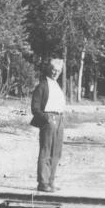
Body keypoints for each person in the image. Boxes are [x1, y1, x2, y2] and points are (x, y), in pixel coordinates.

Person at [30, 58, 66, 192]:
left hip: (60, 119)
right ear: (49, 70)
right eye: (53, 70)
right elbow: (35, 107)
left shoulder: (57, 85)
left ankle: (51, 182)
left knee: (56, 153)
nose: (55, 73)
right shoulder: (42, 85)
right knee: (46, 151)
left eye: (58, 71)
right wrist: (47, 119)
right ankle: (43, 183)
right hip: (49, 119)